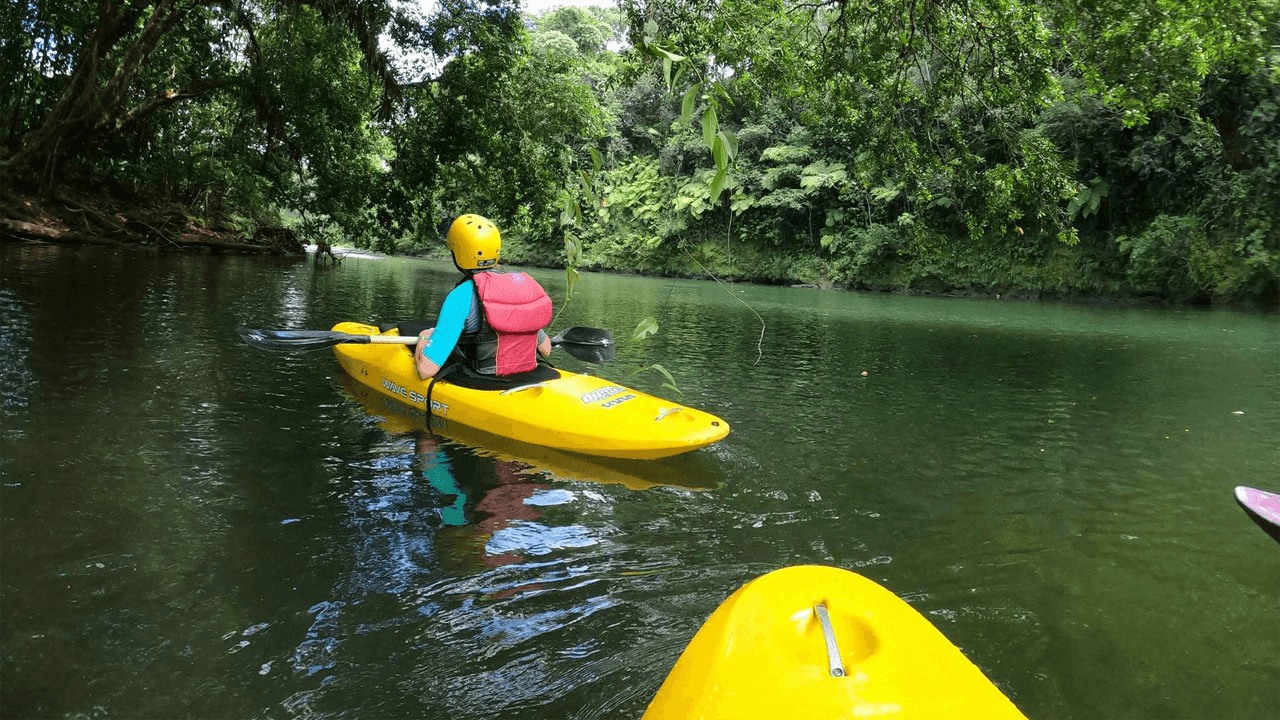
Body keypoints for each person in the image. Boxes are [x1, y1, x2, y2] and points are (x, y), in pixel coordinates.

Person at [412, 214, 554, 381]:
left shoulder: (460, 296)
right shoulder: (520, 288)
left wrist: (424, 338)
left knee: (427, 342)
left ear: (458, 254)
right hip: (526, 378)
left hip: (487, 382)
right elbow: (546, 349)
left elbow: (426, 370)